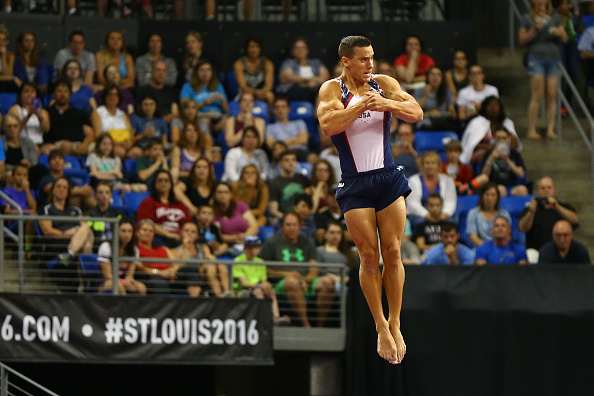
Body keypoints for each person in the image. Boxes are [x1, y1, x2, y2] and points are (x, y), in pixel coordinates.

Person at [317, 36, 423, 364]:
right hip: (356, 184)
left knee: (393, 253)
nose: (370, 65)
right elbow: (327, 124)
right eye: (363, 59)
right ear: (346, 61)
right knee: (368, 255)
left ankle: (396, 323)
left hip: (388, 177)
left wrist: (387, 104)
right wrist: (361, 105)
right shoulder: (332, 90)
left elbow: (416, 112)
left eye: (372, 58)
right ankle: (379, 325)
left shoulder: (385, 83)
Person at [259, 212, 319, 328]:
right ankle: (306, 324)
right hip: (281, 283)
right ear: (282, 227)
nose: (292, 228)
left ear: (300, 227)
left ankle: (321, 326)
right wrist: (288, 274)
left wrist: (304, 281)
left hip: (306, 281)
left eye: (294, 225)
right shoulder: (271, 243)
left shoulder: (308, 242)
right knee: (292, 282)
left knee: (327, 282)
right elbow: (263, 270)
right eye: (288, 225)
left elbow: (314, 270)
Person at [519, 0, 567, 139]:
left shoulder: (555, 17)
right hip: (536, 57)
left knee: (552, 95)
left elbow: (565, 38)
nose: (540, 1)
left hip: (553, 58)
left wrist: (559, 32)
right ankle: (531, 130)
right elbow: (522, 39)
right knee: (537, 94)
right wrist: (534, 29)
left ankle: (550, 129)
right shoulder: (527, 17)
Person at [38, 177, 94, 291]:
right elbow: (48, 231)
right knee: (85, 239)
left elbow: (87, 231)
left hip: (73, 244)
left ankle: (70, 254)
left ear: (68, 192)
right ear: (53, 190)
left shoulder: (76, 210)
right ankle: (84, 284)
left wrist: (76, 234)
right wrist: (66, 234)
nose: (61, 189)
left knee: (86, 232)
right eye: (58, 186)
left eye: (65, 187)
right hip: (57, 244)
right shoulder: (46, 209)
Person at [234, 235, 289, 324]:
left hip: (257, 287)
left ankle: (276, 317)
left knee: (271, 291)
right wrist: (260, 285)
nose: (252, 251)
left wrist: (267, 285)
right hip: (242, 290)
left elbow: (263, 281)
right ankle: (266, 318)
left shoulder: (260, 262)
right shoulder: (238, 261)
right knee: (258, 292)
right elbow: (243, 283)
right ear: (244, 249)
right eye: (249, 248)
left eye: (255, 248)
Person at [519, 176, 579, 251]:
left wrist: (557, 207)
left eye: (549, 188)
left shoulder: (564, 207)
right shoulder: (530, 208)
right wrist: (531, 212)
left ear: (555, 190)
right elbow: (522, 228)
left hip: (561, 249)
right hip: (536, 250)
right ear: (538, 191)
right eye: (543, 188)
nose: (546, 191)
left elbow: (575, 220)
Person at [137, 170, 192, 248]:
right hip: (159, 238)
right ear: (155, 184)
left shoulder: (180, 204)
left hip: (180, 238)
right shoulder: (148, 202)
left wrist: (185, 236)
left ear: (171, 184)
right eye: (160, 180)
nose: (163, 183)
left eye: (166, 180)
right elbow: (146, 224)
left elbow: (189, 223)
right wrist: (169, 234)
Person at [460, 96, 521, 165]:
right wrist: (490, 147)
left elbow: (515, 144)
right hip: (483, 154)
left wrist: (500, 147)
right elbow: (471, 144)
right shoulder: (477, 122)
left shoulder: (507, 123)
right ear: (484, 107)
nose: (492, 107)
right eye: (489, 105)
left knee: (515, 155)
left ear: (500, 108)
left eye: (495, 105)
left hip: (503, 153)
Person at [44, 80, 94, 157]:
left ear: (70, 95)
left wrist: (85, 144)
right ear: (53, 94)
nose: (63, 94)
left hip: (78, 144)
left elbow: (90, 134)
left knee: (99, 148)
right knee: (66, 146)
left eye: (66, 91)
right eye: (59, 91)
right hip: (56, 145)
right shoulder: (47, 112)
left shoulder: (79, 113)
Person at [97, 220, 147, 295]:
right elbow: (108, 276)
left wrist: (128, 281)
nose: (127, 234)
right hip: (105, 281)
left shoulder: (134, 250)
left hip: (121, 280)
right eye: (123, 231)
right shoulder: (106, 247)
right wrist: (122, 282)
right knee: (118, 286)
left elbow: (130, 276)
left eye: (129, 231)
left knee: (141, 288)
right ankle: (125, 306)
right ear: (116, 232)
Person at [170, 221, 219, 297]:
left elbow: (212, 260)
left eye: (193, 232)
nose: (189, 234)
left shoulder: (203, 247)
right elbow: (180, 267)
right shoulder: (175, 251)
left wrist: (211, 257)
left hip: (203, 276)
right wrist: (185, 248)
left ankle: (226, 295)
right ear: (181, 233)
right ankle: (218, 296)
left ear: (197, 236)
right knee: (198, 269)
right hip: (185, 278)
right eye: (186, 231)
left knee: (219, 266)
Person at [406, 151, 457, 225]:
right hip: (420, 216)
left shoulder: (448, 181)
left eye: (433, 163)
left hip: (441, 215)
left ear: (438, 165)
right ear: (422, 165)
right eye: (427, 163)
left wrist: (443, 216)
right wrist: (427, 216)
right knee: (420, 222)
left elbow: (451, 202)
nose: (430, 166)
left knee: (452, 222)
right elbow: (413, 204)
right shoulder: (413, 180)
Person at [180, 60, 229, 134]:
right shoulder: (188, 86)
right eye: (202, 70)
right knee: (206, 121)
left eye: (208, 70)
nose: (205, 73)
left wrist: (223, 102)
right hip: (199, 116)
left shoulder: (218, 86)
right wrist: (204, 103)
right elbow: (184, 108)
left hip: (217, 116)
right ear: (196, 72)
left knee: (229, 122)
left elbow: (227, 111)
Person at [212, 182, 259, 256]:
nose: (223, 195)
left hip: (247, 241)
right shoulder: (213, 213)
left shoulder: (241, 206)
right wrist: (234, 238)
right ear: (215, 195)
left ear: (231, 194)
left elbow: (254, 226)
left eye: (226, 192)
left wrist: (245, 236)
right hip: (229, 244)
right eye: (219, 192)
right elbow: (218, 235)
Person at [277, 37, 330, 103]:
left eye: (303, 47)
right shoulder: (288, 63)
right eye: (297, 48)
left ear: (307, 50)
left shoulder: (316, 63)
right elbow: (287, 77)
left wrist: (314, 83)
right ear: (292, 51)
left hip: (314, 89)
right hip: (295, 90)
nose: (300, 50)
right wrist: (307, 82)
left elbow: (325, 77)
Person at [90, 84, 136, 159]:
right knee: (120, 152)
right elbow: (98, 136)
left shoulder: (123, 114)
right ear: (105, 97)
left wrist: (130, 143)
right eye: (110, 94)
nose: (113, 97)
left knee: (136, 152)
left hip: (124, 144)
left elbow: (130, 134)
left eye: (115, 95)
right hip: (107, 144)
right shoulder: (97, 113)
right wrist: (117, 143)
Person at [481, 126, 529, 196]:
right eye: (498, 138)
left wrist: (507, 160)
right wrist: (491, 158)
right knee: (501, 189)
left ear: (508, 139)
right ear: (494, 139)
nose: (501, 141)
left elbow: (521, 174)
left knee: (522, 190)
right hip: (495, 186)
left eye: (504, 138)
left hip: (512, 187)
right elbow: (484, 175)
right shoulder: (488, 154)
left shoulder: (515, 154)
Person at [134, 219, 177, 294]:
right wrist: (160, 273)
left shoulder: (164, 249)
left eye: (151, 231)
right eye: (144, 230)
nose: (148, 233)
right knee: (159, 283)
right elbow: (140, 267)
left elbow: (177, 264)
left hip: (171, 277)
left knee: (190, 269)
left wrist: (171, 272)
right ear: (137, 233)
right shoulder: (135, 249)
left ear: (154, 235)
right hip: (151, 279)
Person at [267, 150, 309, 224]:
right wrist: (288, 219)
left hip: (304, 217)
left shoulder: (303, 179)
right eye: (287, 160)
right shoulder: (274, 183)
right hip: (285, 219)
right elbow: (273, 210)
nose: (291, 163)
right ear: (280, 163)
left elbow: (309, 202)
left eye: (293, 160)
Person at [466, 183, 512, 247]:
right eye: (487, 194)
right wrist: (488, 250)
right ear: (482, 196)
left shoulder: (504, 214)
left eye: (493, 195)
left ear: (497, 197)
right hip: (481, 248)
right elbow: (473, 237)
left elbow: (508, 235)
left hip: (501, 247)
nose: (490, 198)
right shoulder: (473, 213)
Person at [413, 66, 457, 131]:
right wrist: (425, 95)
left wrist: (452, 111)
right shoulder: (419, 90)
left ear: (442, 78)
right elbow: (415, 110)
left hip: (442, 121)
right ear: (427, 77)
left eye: (438, 75)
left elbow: (452, 112)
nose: (435, 78)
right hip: (425, 122)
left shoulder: (447, 92)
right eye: (432, 74)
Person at [265, 96, 310, 162]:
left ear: (289, 109)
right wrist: (293, 139)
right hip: (281, 154)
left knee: (312, 157)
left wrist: (281, 145)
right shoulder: (270, 127)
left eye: (283, 107)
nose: (280, 110)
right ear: (274, 111)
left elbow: (303, 139)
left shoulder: (299, 123)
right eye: (277, 107)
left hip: (299, 152)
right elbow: (271, 144)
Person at [233, 37, 275, 105]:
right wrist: (255, 92)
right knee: (246, 96)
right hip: (245, 92)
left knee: (270, 96)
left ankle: (269, 115)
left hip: (262, 92)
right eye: (251, 47)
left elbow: (269, 86)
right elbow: (242, 86)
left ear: (260, 48)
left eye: (257, 46)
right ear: (246, 48)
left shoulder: (268, 64)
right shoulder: (239, 64)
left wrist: (262, 92)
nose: (254, 49)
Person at [7, 82, 50, 148]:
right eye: (26, 91)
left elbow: (46, 130)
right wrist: (28, 115)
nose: (30, 94)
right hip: (22, 144)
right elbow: (13, 129)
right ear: (21, 95)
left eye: (32, 91)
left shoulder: (43, 111)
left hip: (40, 143)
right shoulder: (15, 109)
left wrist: (39, 116)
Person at [84, 181, 123, 247]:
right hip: (96, 246)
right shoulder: (89, 214)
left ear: (111, 195)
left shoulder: (118, 214)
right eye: (100, 192)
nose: (104, 195)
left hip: (114, 247)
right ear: (95, 195)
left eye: (107, 192)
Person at [1, 115, 37, 181]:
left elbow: (34, 161)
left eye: (15, 126)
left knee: (39, 170)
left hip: (27, 170)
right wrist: (17, 168)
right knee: (10, 175)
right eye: (9, 126)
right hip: (9, 172)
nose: (12, 129)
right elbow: (2, 165)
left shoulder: (28, 142)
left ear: (19, 127)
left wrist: (28, 164)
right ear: (4, 128)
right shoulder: (1, 143)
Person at [13, 30, 48, 94]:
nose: (30, 43)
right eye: (27, 41)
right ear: (21, 42)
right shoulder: (15, 59)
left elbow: (43, 80)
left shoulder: (40, 60)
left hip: (37, 92)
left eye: (32, 41)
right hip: (19, 91)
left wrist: (41, 86)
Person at [0, 24, 16, 93]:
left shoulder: (10, 55)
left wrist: (4, 56)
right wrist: (13, 78)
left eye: (4, 40)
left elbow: (8, 75)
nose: (1, 43)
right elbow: (10, 77)